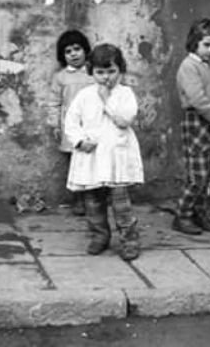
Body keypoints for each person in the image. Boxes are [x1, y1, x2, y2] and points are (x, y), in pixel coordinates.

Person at [64, 43, 144, 261]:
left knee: (121, 204)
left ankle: (129, 239)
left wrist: (106, 100)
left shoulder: (125, 94)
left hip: (116, 157)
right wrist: (79, 141)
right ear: (92, 71)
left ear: (120, 70)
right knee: (93, 202)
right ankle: (100, 235)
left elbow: (124, 119)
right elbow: (70, 121)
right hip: (92, 157)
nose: (106, 77)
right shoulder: (83, 95)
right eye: (100, 72)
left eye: (111, 71)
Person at [173, 18, 210, 235]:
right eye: (206, 44)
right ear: (194, 42)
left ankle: (200, 212)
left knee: (207, 174)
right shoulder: (189, 67)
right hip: (197, 120)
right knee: (197, 174)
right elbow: (196, 98)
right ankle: (183, 214)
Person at [46, 29, 93, 216]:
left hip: (91, 124)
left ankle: (94, 200)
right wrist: (55, 125)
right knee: (74, 164)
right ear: (62, 56)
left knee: (93, 162)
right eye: (68, 51)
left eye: (77, 49)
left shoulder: (93, 72)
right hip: (71, 128)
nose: (73, 54)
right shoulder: (61, 77)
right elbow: (54, 102)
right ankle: (78, 200)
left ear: (85, 50)